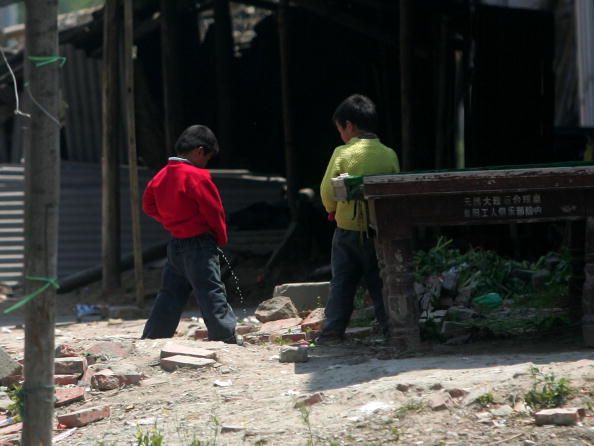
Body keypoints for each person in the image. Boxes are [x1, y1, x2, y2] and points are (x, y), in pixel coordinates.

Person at [141, 124, 239, 343]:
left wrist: (170, 221)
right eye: (207, 157)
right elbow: (214, 211)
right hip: (200, 245)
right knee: (210, 291)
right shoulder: (197, 177)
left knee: (170, 294)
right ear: (199, 151)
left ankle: (152, 338)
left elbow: (148, 206)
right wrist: (220, 237)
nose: (206, 163)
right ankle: (225, 336)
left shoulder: (161, 176)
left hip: (176, 245)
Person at [318, 94, 400, 343]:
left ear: (349, 126)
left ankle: (333, 331)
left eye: (340, 129)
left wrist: (331, 208)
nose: (341, 134)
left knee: (342, 282)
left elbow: (327, 191)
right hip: (379, 232)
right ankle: (391, 330)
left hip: (348, 231)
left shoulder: (343, 153)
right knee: (379, 282)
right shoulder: (389, 154)